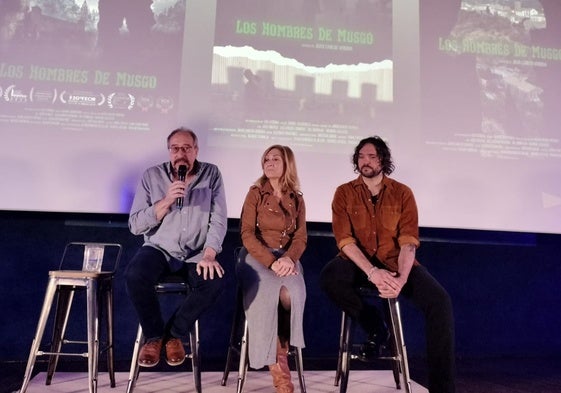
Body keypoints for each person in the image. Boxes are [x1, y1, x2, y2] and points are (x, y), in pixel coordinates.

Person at [319, 136, 455, 393]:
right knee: (329, 277)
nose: (365, 161)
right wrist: (372, 272)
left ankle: (443, 388)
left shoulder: (402, 192)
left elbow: (408, 242)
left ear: (383, 159)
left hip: (395, 263)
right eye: (361, 156)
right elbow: (345, 241)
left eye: (371, 156)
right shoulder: (344, 192)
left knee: (440, 302)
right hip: (358, 263)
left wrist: (400, 280)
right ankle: (375, 326)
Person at [126, 127, 227, 368]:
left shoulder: (211, 174)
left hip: (196, 253)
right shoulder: (152, 176)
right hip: (159, 248)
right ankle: (154, 337)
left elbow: (219, 218)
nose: (180, 153)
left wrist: (210, 253)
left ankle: (173, 335)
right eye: (175, 148)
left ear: (196, 150)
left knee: (214, 281)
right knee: (135, 275)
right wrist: (168, 200)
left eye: (186, 148)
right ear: (169, 151)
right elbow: (135, 225)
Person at [237, 145, 307, 393]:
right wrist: (272, 261)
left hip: (286, 259)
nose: (269, 162)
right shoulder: (255, 193)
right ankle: (281, 372)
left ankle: (281, 350)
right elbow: (246, 234)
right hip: (257, 256)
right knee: (270, 296)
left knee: (290, 295)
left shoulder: (297, 198)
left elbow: (300, 238)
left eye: (275, 159)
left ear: (287, 163)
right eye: (266, 158)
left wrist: (289, 259)